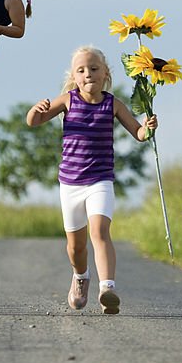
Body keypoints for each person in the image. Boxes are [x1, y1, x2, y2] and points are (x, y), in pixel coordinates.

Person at [26, 46, 158, 315]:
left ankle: (107, 288)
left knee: (99, 232)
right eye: (82, 70)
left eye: (94, 69)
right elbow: (34, 121)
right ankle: (81, 277)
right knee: (76, 246)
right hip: (71, 184)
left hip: (101, 180)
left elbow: (138, 133)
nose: (88, 74)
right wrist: (35, 110)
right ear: (74, 76)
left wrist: (148, 127)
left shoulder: (113, 104)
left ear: (106, 73)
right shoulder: (67, 101)